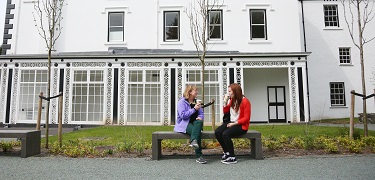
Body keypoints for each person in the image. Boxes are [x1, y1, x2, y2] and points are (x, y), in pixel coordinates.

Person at [215, 83, 251, 164]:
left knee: (225, 134)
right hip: (231, 122)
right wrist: (225, 102)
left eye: (230, 91)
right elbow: (226, 111)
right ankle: (227, 152)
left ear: (236, 92)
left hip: (241, 125)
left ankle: (232, 157)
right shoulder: (232, 100)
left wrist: (234, 124)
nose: (229, 93)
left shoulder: (245, 101)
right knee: (217, 132)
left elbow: (246, 118)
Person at [174, 85, 207, 164]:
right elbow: (183, 116)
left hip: (196, 123)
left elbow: (201, 113)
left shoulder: (196, 101)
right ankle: (199, 156)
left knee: (198, 123)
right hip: (185, 123)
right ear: (189, 92)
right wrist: (194, 109)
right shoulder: (182, 102)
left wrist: (200, 117)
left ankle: (193, 141)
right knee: (196, 132)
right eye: (195, 91)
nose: (197, 92)